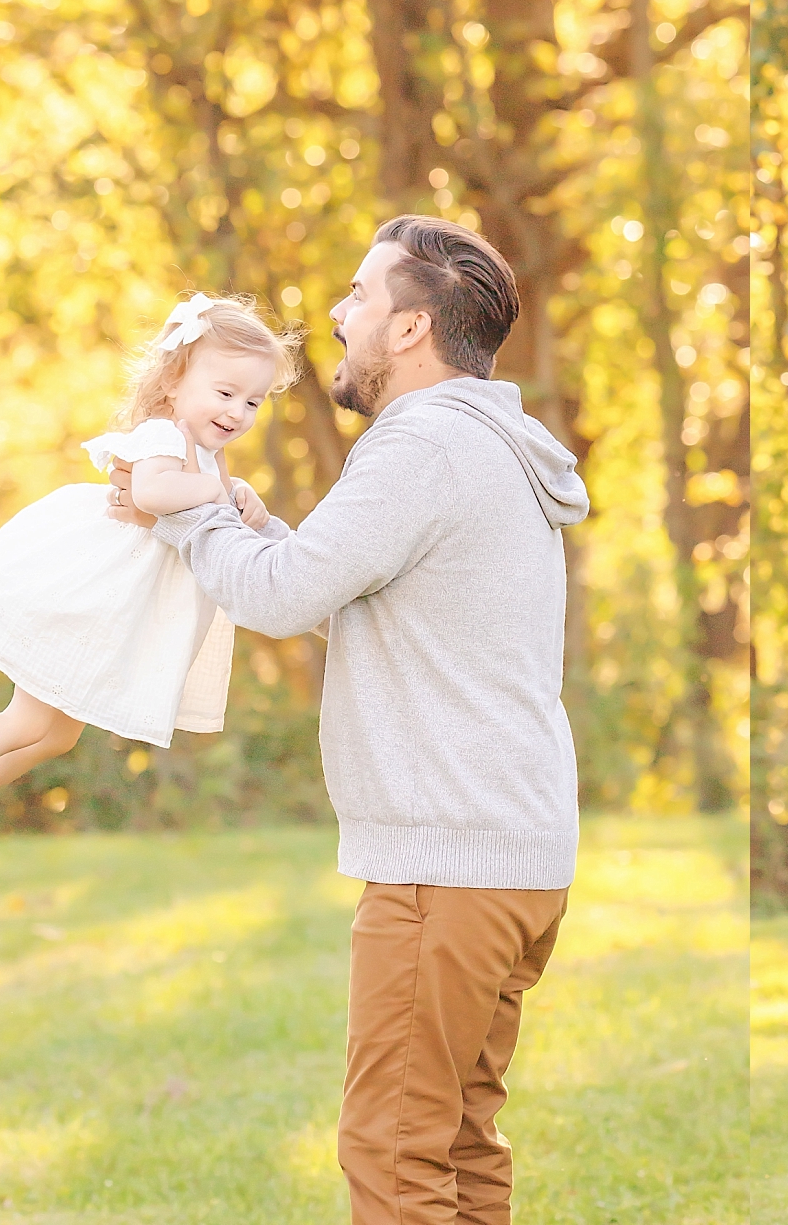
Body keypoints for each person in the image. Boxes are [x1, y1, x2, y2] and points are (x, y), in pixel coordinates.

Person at [108, 216, 588, 1225]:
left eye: (360, 297)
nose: (337, 312)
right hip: (513, 850)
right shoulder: (490, 441)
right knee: (458, 1137)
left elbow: (277, 601)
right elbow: (356, 596)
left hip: (443, 863)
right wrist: (260, 530)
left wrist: (188, 507)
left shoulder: (419, 445)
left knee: (395, 1148)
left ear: (410, 329)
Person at [0, 292, 299, 877]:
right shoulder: (162, 435)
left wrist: (238, 495)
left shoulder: (208, 453)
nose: (238, 412)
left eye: (252, 401)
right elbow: (152, 494)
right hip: (94, 592)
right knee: (26, 722)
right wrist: (222, 492)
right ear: (175, 382)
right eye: (225, 394)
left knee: (56, 736)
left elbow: (203, 511)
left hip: (121, 606)